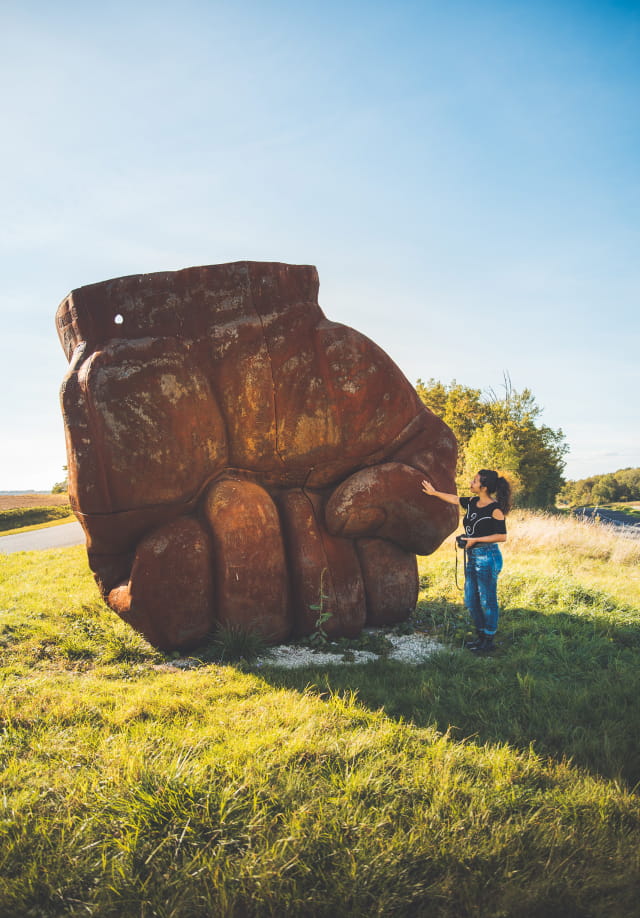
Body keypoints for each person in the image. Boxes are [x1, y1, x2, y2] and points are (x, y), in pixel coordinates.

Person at [421, 469, 512, 653]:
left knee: (487, 600)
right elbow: (455, 499)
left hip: (488, 557)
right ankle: (480, 636)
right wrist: (434, 493)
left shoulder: (495, 510)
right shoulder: (471, 502)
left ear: (484, 487)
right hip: (472, 556)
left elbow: (502, 536)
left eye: (475, 481)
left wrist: (475, 540)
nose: (471, 483)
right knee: (471, 599)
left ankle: (488, 640)